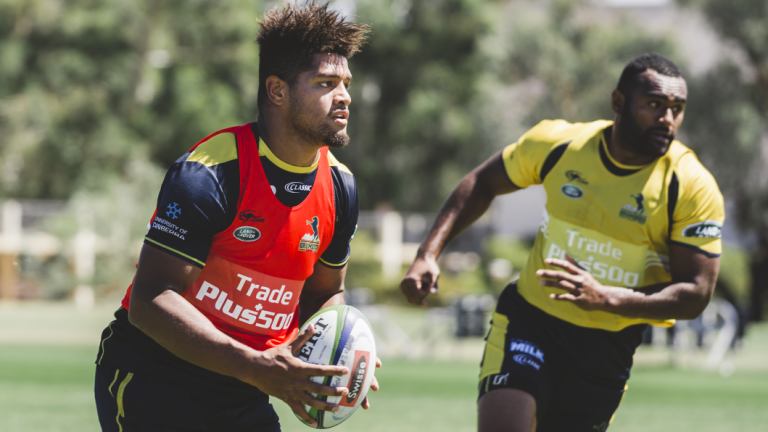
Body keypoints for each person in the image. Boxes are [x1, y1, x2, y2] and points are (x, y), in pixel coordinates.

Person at [400, 53, 724, 432]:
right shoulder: (559, 144)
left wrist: (608, 298)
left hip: (606, 346)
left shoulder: (690, 186)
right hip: (530, 320)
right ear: (618, 102)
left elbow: (696, 292)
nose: (667, 119)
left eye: (677, 108)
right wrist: (427, 254)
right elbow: (482, 182)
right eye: (654, 105)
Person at [94, 3, 375, 431]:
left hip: (242, 388)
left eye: (346, 83)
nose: (345, 97)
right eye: (325, 83)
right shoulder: (211, 171)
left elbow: (323, 294)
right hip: (153, 375)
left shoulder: (341, 187)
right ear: (277, 91)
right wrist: (256, 366)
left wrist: (343, 352)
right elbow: (151, 300)